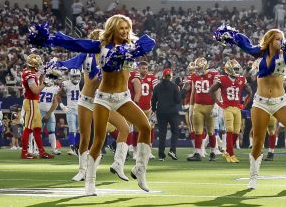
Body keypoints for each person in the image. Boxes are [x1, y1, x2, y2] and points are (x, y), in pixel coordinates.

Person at [29, 15, 157, 196]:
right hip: (103, 98)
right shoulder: (100, 46)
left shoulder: (131, 45)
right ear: (112, 29)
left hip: (123, 98)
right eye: (121, 28)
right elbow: (75, 44)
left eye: (127, 28)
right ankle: (89, 182)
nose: (125, 31)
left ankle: (140, 171)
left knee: (145, 127)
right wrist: (51, 39)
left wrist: (132, 48)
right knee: (98, 140)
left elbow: (149, 43)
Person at [213, 25, 286, 189]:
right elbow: (244, 44)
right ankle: (253, 177)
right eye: (278, 39)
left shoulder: (285, 56)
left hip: (280, 102)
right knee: (258, 141)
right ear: (270, 40)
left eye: (282, 39)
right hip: (261, 103)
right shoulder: (258, 53)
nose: (281, 42)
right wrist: (231, 35)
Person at [213, 59, 248, 163]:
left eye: (238, 69)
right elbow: (211, 91)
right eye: (235, 69)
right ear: (229, 69)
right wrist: (219, 103)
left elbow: (250, 92)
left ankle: (228, 151)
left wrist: (244, 105)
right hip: (227, 108)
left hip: (237, 108)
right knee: (229, 130)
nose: (237, 71)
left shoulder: (241, 79)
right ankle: (231, 154)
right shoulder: (222, 79)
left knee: (237, 131)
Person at [183, 57, 218, 161]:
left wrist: (216, 105)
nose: (198, 71)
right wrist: (191, 106)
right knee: (198, 130)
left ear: (205, 66)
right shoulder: (194, 76)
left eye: (200, 68)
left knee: (211, 131)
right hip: (198, 106)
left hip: (210, 106)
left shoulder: (213, 74)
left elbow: (217, 90)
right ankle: (198, 153)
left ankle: (213, 152)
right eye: (197, 69)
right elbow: (193, 92)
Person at [19, 53, 52, 159]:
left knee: (37, 128)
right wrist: (45, 84)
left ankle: (41, 151)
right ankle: (24, 152)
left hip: (34, 102)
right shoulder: (29, 74)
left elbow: (38, 86)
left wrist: (42, 76)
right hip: (31, 102)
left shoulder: (31, 73)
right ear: (34, 64)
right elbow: (35, 90)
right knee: (28, 128)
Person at [152, 68, 182, 160]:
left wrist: (154, 110)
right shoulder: (174, 86)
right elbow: (178, 101)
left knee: (162, 133)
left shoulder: (157, 86)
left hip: (161, 112)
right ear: (171, 76)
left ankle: (161, 155)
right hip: (172, 112)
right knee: (175, 132)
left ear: (163, 76)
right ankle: (172, 150)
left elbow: (153, 100)